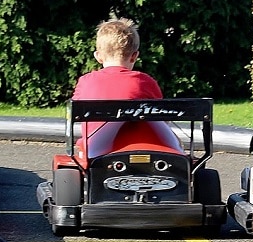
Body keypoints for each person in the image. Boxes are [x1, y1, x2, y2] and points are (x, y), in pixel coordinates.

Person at [71, 17, 180, 158]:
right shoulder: (144, 82)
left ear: (98, 56)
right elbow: (161, 118)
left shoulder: (86, 81)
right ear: (134, 56)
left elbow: (75, 113)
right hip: (143, 148)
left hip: (95, 149)